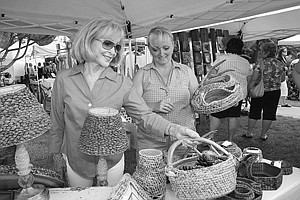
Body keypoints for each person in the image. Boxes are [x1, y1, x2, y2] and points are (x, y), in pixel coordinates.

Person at [48, 18, 199, 188]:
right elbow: (57, 122)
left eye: (117, 47)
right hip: (77, 160)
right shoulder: (64, 79)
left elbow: (144, 115)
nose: (113, 51)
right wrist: (56, 154)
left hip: (112, 161)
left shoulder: (122, 83)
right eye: (107, 44)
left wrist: (175, 129)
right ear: (89, 41)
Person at [132, 26, 199, 157]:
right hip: (151, 141)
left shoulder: (186, 71)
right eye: (155, 49)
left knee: (186, 173)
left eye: (166, 48)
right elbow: (133, 108)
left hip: (184, 139)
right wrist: (153, 106)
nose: (161, 53)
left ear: (173, 45)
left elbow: (198, 102)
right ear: (149, 48)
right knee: (152, 176)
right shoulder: (142, 74)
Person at [209, 38, 252, 142]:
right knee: (233, 116)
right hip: (238, 93)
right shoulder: (245, 62)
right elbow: (248, 78)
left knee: (216, 115)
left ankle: (210, 139)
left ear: (228, 46)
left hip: (222, 91)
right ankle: (230, 140)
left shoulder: (221, 58)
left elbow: (211, 74)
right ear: (240, 48)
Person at [246, 42, 285, 140]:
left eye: (262, 51)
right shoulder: (280, 63)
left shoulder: (260, 63)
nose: (260, 53)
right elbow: (283, 78)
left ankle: (249, 132)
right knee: (269, 114)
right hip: (275, 91)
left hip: (260, 90)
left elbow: (254, 79)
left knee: (254, 112)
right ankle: (263, 134)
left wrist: (248, 89)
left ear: (266, 52)